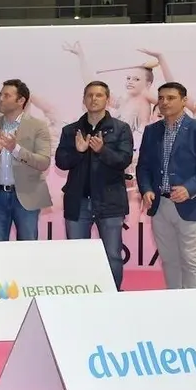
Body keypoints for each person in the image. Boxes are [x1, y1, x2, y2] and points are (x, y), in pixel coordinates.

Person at [136, 82, 196, 289]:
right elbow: (143, 166)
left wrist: (189, 189)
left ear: (184, 101)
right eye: (161, 98)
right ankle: (174, 303)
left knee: (191, 261)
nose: (164, 102)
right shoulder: (151, 131)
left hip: (190, 205)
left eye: (171, 98)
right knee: (169, 260)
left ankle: (193, 309)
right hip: (159, 206)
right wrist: (146, 189)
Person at [54, 81, 134, 290]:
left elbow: (124, 160)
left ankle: (113, 296)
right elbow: (61, 162)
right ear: (83, 100)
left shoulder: (121, 129)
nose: (94, 99)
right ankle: (82, 298)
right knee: (78, 256)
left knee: (112, 255)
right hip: (77, 202)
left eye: (99, 95)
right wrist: (77, 151)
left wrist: (102, 151)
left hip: (110, 201)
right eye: (89, 95)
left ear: (107, 100)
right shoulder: (71, 130)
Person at [0, 79, 52, 242]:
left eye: (6, 95)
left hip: (27, 196)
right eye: (0, 95)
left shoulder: (38, 126)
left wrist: (15, 149)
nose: (1, 99)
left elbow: (44, 162)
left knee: (27, 251)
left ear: (21, 100)